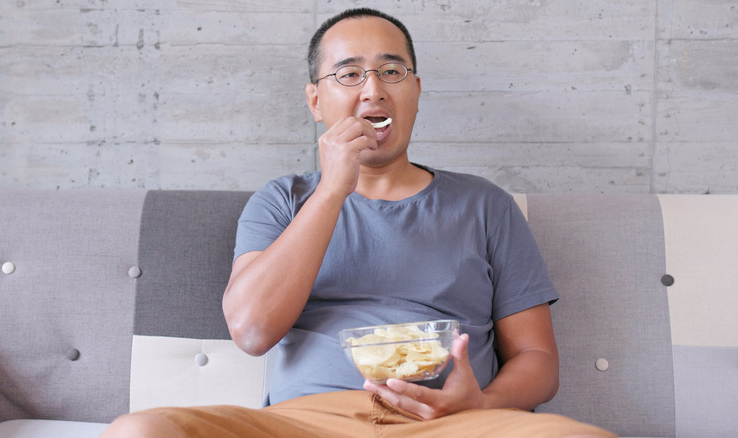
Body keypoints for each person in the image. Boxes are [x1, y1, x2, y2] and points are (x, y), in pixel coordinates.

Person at [102, 8, 615, 437]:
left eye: (392, 71)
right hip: (306, 422)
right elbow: (252, 329)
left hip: (453, 422)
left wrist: (481, 403)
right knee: (138, 431)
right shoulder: (282, 200)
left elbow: (537, 357)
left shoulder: (486, 205)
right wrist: (332, 191)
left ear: (415, 89)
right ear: (316, 101)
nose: (373, 89)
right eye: (349, 74)